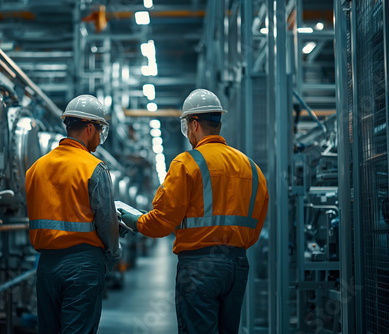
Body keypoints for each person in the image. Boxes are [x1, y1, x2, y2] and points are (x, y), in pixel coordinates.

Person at [119, 88, 269, 334]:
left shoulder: (187, 164)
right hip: (238, 264)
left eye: (186, 126)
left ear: (195, 124)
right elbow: (255, 227)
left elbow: (162, 222)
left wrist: (135, 221)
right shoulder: (251, 168)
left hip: (200, 267)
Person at [26, 95, 121, 334]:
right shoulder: (94, 169)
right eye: (99, 131)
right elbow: (107, 222)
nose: (99, 139)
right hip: (84, 264)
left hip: (46, 266)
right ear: (90, 128)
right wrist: (112, 254)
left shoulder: (36, 169)